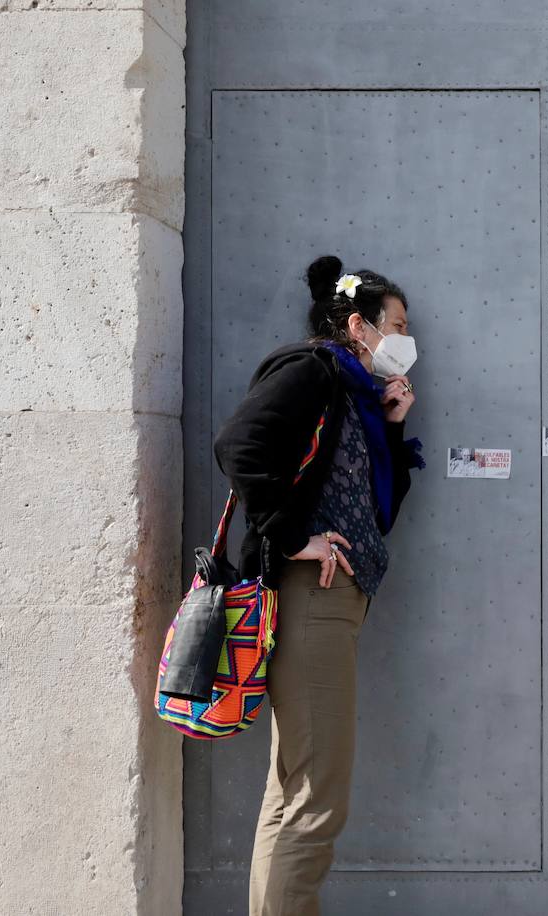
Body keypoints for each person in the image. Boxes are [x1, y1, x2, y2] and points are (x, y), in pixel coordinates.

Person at [214, 254, 424, 916]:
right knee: (316, 797)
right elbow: (240, 447)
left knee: (295, 792)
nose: (406, 340)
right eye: (397, 325)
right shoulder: (310, 371)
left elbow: (377, 511)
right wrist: (289, 534)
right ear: (359, 327)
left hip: (334, 602)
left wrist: (392, 428)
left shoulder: (358, 397)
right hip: (312, 598)